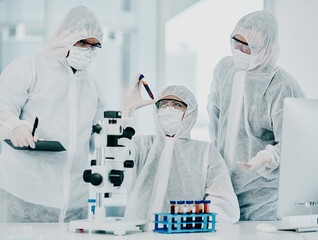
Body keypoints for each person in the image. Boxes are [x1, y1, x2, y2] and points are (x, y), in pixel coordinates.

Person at [0, 6, 107, 222]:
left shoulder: (92, 87)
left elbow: (103, 136)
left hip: (76, 204)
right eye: (82, 42)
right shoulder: (30, 67)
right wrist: (15, 127)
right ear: (65, 37)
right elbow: (3, 105)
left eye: (95, 46)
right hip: (25, 195)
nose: (88, 50)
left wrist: (127, 113)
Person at [207, 10, 304, 221]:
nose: (239, 50)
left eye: (248, 47)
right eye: (236, 42)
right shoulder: (224, 70)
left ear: (267, 49)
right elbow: (214, 117)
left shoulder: (283, 87)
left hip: (263, 200)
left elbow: (297, 146)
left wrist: (268, 157)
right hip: (221, 193)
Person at [121, 74, 240, 224]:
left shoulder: (205, 153)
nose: (169, 108)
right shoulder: (142, 145)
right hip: (137, 233)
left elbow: (225, 207)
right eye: (163, 104)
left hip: (184, 234)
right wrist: (125, 114)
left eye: (177, 105)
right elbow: (113, 163)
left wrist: (182, 219)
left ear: (190, 113)